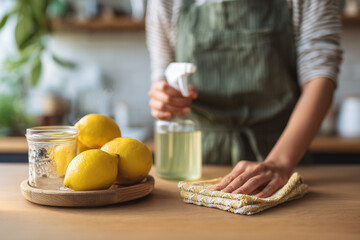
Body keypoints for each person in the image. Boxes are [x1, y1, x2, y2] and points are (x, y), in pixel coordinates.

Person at [146, 0, 342, 197]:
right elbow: (163, 74)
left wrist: (279, 163)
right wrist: (163, 97)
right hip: (193, 160)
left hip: (282, 151)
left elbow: (320, 76)